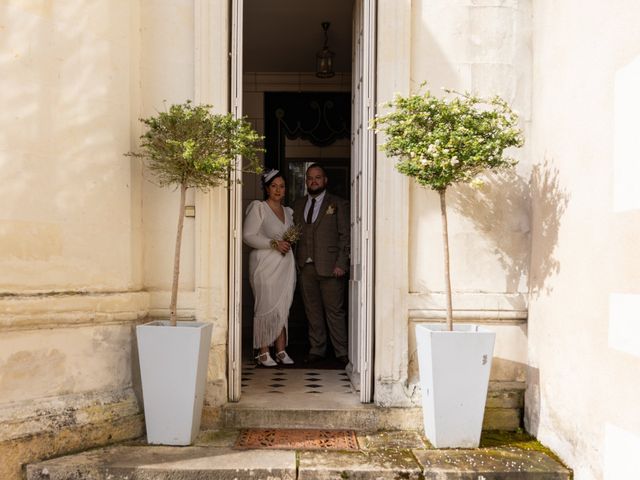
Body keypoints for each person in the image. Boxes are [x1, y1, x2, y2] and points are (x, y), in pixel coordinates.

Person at [293, 163, 350, 365]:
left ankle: (341, 351)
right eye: (310, 178)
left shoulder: (338, 203)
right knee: (312, 311)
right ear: (306, 181)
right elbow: (294, 235)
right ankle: (317, 349)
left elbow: (345, 236)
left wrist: (341, 263)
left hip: (331, 267)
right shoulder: (298, 204)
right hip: (305, 266)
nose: (313, 181)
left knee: (335, 311)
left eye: (318, 177)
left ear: (325, 180)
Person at [243, 170, 296, 367]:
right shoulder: (259, 208)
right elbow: (248, 236)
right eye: (274, 186)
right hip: (265, 266)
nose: (278, 190)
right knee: (266, 306)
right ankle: (263, 351)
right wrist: (273, 243)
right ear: (266, 188)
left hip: (285, 266)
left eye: (281, 186)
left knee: (283, 306)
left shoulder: (289, 212)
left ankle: (280, 349)